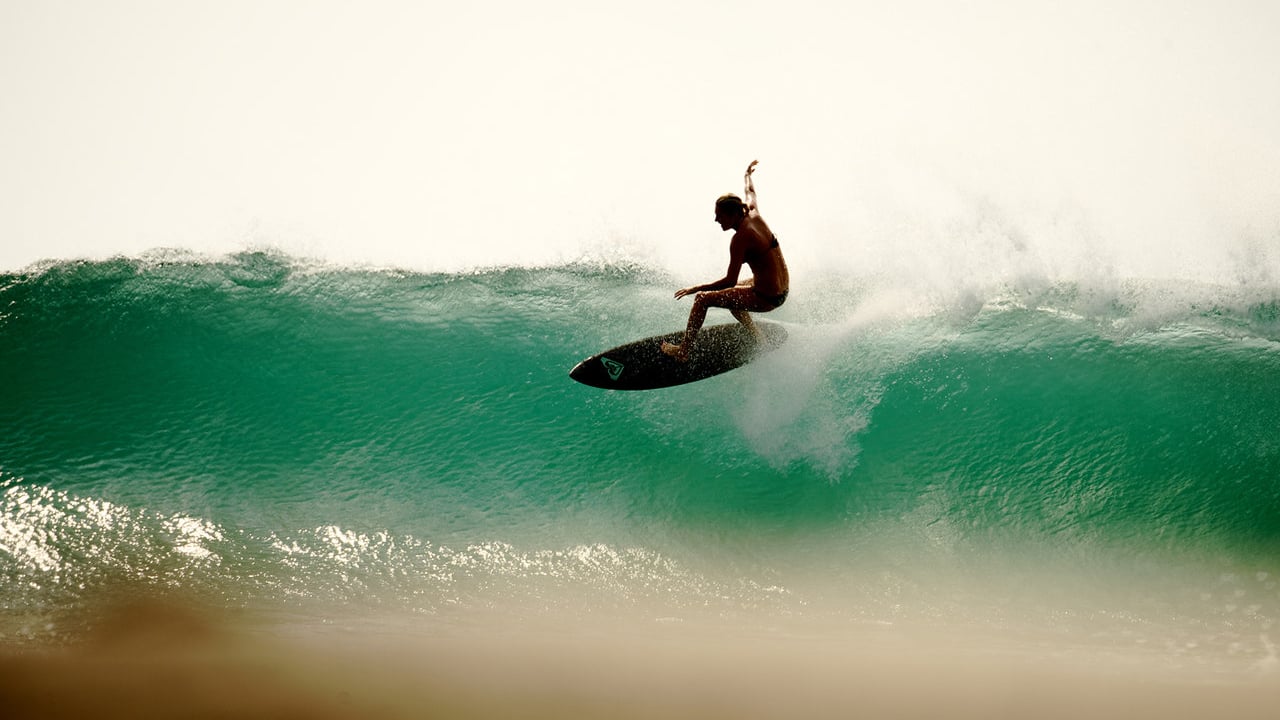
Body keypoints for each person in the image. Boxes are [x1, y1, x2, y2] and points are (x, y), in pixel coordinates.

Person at [660, 160, 790, 362]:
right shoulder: (753, 212)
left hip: (766, 298)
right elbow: (750, 191)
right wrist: (747, 174)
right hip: (781, 290)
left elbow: (729, 280)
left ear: (733, 214)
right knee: (732, 297)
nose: (716, 220)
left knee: (703, 299)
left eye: (719, 216)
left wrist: (696, 288)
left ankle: (684, 351)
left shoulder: (740, 239)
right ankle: (758, 336)